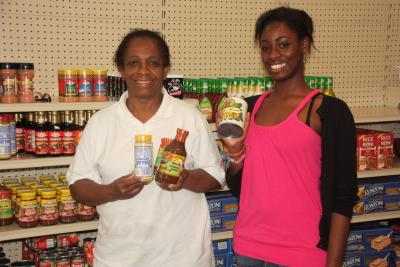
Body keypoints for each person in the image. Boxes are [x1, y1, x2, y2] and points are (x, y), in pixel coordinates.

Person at [66, 29, 225, 267]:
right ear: (121, 68)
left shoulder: (190, 117)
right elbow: (78, 186)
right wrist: (112, 191)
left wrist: (185, 178)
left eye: (153, 63)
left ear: (165, 69)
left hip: (183, 257)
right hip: (118, 258)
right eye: (133, 63)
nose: (143, 71)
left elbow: (215, 176)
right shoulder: (101, 122)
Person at [219, 7, 358, 267]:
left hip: (303, 252)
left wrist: (334, 262)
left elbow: (343, 195)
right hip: (249, 248)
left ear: (304, 45)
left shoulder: (328, 111)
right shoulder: (248, 108)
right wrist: (235, 153)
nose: (273, 55)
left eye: (283, 45)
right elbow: (240, 187)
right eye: (265, 47)